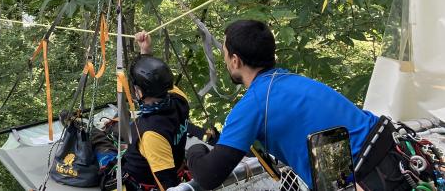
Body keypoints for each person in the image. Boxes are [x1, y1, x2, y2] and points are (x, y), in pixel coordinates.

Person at [185, 20, 412, 191]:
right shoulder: (296, 81)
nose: (225, 61)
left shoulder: (253, 104)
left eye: (224, 55)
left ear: (235, 61)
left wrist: (194, 147)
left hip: (369, 180)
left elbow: (208, 177)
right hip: (394, 161)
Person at [95, 31, 191, 191]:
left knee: (100, 144)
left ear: (138, 92)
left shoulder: (151, 132)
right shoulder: (179, 98)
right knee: (120, 132)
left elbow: (168, 183)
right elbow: (156, 78)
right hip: (170, 160)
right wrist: (145, 51)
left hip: (139, 181)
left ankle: (94, 134)